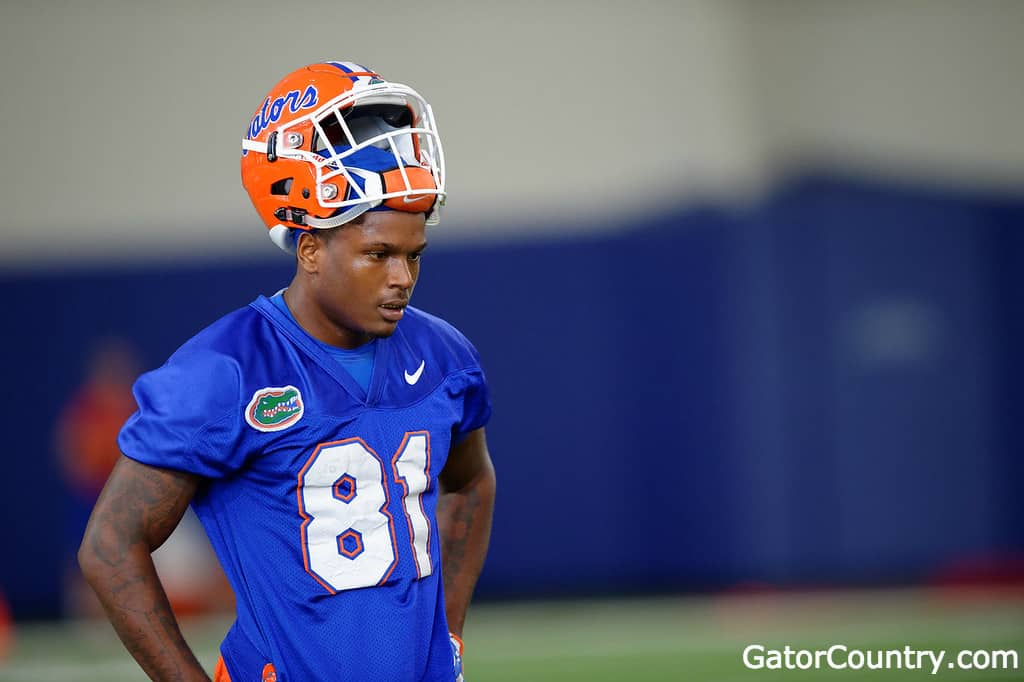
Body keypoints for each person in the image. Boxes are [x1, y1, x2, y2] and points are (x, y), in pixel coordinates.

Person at [78, 60, 497, 682]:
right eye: (378, 254)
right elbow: (111, 544)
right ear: (310, 249)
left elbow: (469, 484)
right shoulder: (225, 370)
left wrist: (451, 632)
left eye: (414, 255)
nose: (402, 278)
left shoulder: (444, 354)